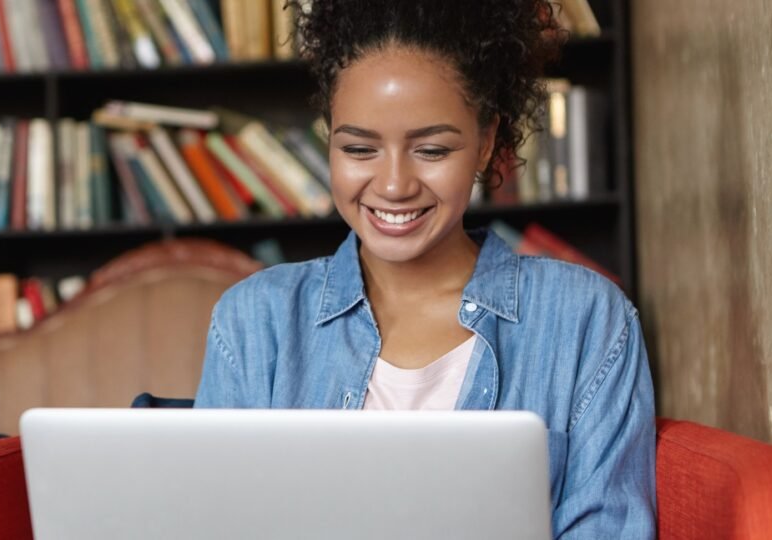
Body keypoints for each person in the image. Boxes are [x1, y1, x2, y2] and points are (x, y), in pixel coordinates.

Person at [194, 1, 656, 537]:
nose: (393, 185)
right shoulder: (255, 322)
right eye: (360, 148)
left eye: (432, 149)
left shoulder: (585, 320)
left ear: (486, 143)